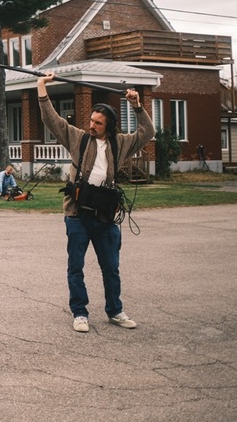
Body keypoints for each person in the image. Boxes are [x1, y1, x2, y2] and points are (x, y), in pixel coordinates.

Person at [36, 72, 155, 333]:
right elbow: (51, 120)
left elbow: (148, 132)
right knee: (75, 267)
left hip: (105, 217)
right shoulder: (79, 138)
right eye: (91, 120)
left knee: (111, 268)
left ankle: (115, 311)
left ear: (109, 126)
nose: (92, 125)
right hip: (77, 215)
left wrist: (136, 105)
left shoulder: (120, 144)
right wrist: (42, 86)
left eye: (98, 123)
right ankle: (80, 313)